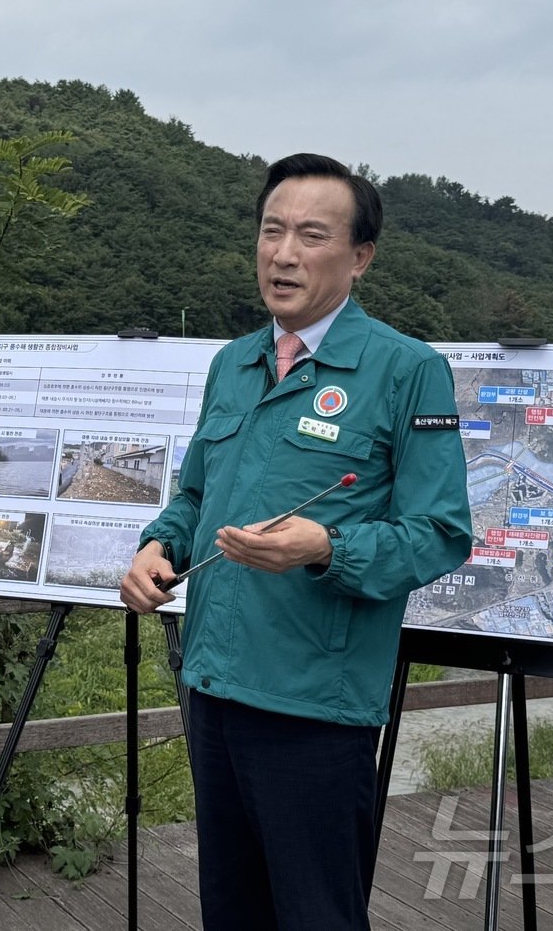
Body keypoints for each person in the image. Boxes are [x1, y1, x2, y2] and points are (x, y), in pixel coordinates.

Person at [120, 153, 473, 930]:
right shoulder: (233, 363)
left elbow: (441, 534)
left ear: (360, 258)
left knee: (316, 912)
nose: (283, 253)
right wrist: (158, 547)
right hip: (212, 682)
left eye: (311, 235)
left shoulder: (408, 371)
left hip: (314, 703)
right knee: (232, 909)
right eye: (271, 231)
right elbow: (193, 495)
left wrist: (326, 547)